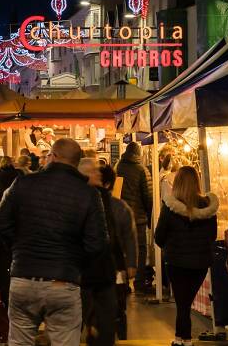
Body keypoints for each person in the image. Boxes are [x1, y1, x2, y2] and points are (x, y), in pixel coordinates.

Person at [0, 138, 108, 346]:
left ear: (53, 157)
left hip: (23, 277)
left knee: (19, 341)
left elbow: (1, 225)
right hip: (63, 282)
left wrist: (19, 249)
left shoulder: (23, 183)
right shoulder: (88, 194)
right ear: (76, 162)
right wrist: (74, 264)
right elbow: (97, 243)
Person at [155, 166, 218, 346]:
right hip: (200, 263)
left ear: (178, 182)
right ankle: (183, 339)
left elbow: (159, 236)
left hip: (176, 262)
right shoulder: (208, 208)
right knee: (185, 301)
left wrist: (170, 248)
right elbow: (212, 236)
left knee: (182, 302)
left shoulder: (170, 208)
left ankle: (183, 339)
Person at [78, 158, 124, 346]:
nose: (99, 173)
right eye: (94, 170)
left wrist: (119, 262)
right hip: (85, 270)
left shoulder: (103, 196)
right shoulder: (83, 197)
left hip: (99, 269)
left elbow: (112, 233)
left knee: (104, 319)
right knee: (81, 317)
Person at [100, 164, 138, 340]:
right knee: (118, 305)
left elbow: (130, 238)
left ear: (106, 184)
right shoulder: (122, 207)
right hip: (117, 265)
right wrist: (131, 264)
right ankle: (120, 335)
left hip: (112, 264)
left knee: (111, 304)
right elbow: (131, 238)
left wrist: (131, 263)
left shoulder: (118, 208)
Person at [115, 141, 153, 293]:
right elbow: (148, 196)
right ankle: (139, 282)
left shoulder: (118, 167)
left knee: (122, 249)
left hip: (120, 215)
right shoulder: (142, 169)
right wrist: (150, 217)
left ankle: (122, 283)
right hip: (138, 218)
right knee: (141, 249)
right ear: (139, 154)